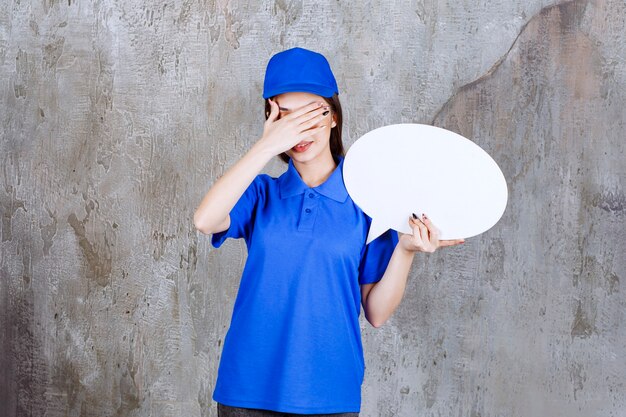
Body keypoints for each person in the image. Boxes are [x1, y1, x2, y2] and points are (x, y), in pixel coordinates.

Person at [193, 47, 464, 417]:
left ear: (334, 116)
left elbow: (377, 313)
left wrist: (405, 251)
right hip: (247, 391)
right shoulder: (260, 193)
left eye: (311, 115)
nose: (300, 130)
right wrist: (268, 145)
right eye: (286, 117)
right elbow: (206, 220)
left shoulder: (368, 204)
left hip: (329, 394)